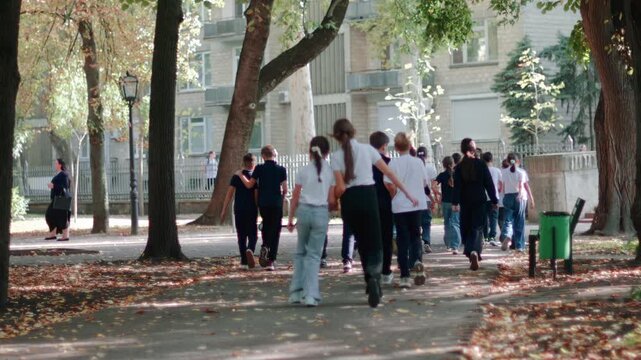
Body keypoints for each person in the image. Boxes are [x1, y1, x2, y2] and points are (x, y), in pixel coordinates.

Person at [331, 118, 418, 308]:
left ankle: (369, 277)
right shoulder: (367, 150)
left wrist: (333, 199)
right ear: (353, 131)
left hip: (350, 200)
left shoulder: (336, 156)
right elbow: (390, 174)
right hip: (368, 197)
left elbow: (339, 188)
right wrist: (408, 193)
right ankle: (375, 276)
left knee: (362, 242)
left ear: (336, 136)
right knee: (376, 242)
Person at [287, 136, 336, 307]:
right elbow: (331, 200)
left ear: (310, 151)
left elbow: (295, 197)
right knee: (314, 255)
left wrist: (291, 218)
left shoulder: (303, 170)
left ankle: (295, 292)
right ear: (327, 152)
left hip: (304, 211)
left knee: (301, 251)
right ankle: (310, 295)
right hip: (321, 212)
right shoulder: (330, 171)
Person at [385, 133, 429, 288]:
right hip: (416, 205)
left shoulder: (392, 164)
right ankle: (417, 261)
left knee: (402, 239)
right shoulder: (418, 162)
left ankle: (404, 275)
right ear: (410, 146)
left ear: (396, 147)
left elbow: (389, 184)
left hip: (399, 206)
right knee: (416, 234)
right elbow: (425, 183)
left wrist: (394, 195)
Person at [237, 145, 287, 271]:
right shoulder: (281, 169)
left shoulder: (259, 168)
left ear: (263, 156)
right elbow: (285, 189)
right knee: (275, 230)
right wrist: (281, 198)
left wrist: (240, 175)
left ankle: (265, 245)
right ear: (273, 155)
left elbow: (250, 185)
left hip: (263, 203)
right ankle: (271, 260)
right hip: (276, 204)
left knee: (266, 226)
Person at [452, 138, 498, 271]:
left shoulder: (459, 167)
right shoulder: (481, 164)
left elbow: (457, 187)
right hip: (480, 200)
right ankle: (475, 251)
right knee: (477, 227)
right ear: (473, 149)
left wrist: (455, 202)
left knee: (466, 226)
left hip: (465, 200)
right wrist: (494, 200)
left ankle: (470, 250)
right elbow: (488, 183)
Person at [221, 153, 258, 270]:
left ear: (244, 163)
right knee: (253, 234)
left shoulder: (236, 176)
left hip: (239, 208)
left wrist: (224, 209)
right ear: (253, 163)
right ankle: (250, 249)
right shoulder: (255, 177)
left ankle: (243, 260)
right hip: (251, 208)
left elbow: (229, 193)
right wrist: (258, 208)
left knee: (241, 235)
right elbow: (256, 195)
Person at [369, 131, 394, 285]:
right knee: (386, 238)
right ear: (384, 146)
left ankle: (372, 270)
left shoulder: (364, 163)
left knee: (371, 239)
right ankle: (386, 270)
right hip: (385, 204)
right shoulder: (388, 162)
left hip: (368, 203)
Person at [434, 156, 461, 254]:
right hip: (456, 202)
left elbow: (434, 185)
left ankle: (448, 244)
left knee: (447, 223)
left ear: (444, 165)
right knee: (455, 223)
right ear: (452, 164)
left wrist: (438, 194)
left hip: (445, 202)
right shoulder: (457, 174)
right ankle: (455, 246)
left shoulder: (441, 175)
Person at [499, 153, 525, 252]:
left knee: (508, 220)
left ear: (508, 161)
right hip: (518, 196)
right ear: (518, 161)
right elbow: (521, 186)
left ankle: (507, 235)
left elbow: (503, 187)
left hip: (507, 197)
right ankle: (519, 246)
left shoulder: (504, 172)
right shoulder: (520, 172)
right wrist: (520, 195)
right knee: (519, 221)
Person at [416, 146, 437, 254]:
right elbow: (432, 186)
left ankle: (416, 243)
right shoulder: (430, 168)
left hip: (414, 199)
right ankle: (426, 241)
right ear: (427, 155)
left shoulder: (413, 167)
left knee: (415, 223)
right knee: (426, 223)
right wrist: (434, 199)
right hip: (426, 200)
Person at [45, 158, 71, 241]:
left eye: (56, 163)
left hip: (62, 199)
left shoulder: (64, 174)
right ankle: (53, 234)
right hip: (56, 199)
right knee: (50, 215)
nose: (54, 165)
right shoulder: (59, 174)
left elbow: (66, 186)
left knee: (62, 217)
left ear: (60, 165)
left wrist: (54, 186)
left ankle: (65, 236)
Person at [482, 152, 502, 244]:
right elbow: (501, 184)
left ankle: (485, 236)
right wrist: (498, 190)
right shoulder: (497, 170)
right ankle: (492, 236)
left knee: (484, 217)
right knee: (493, 217)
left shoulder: (481, 170)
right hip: (494, 196)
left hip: (483, 197)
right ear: (492, 159)